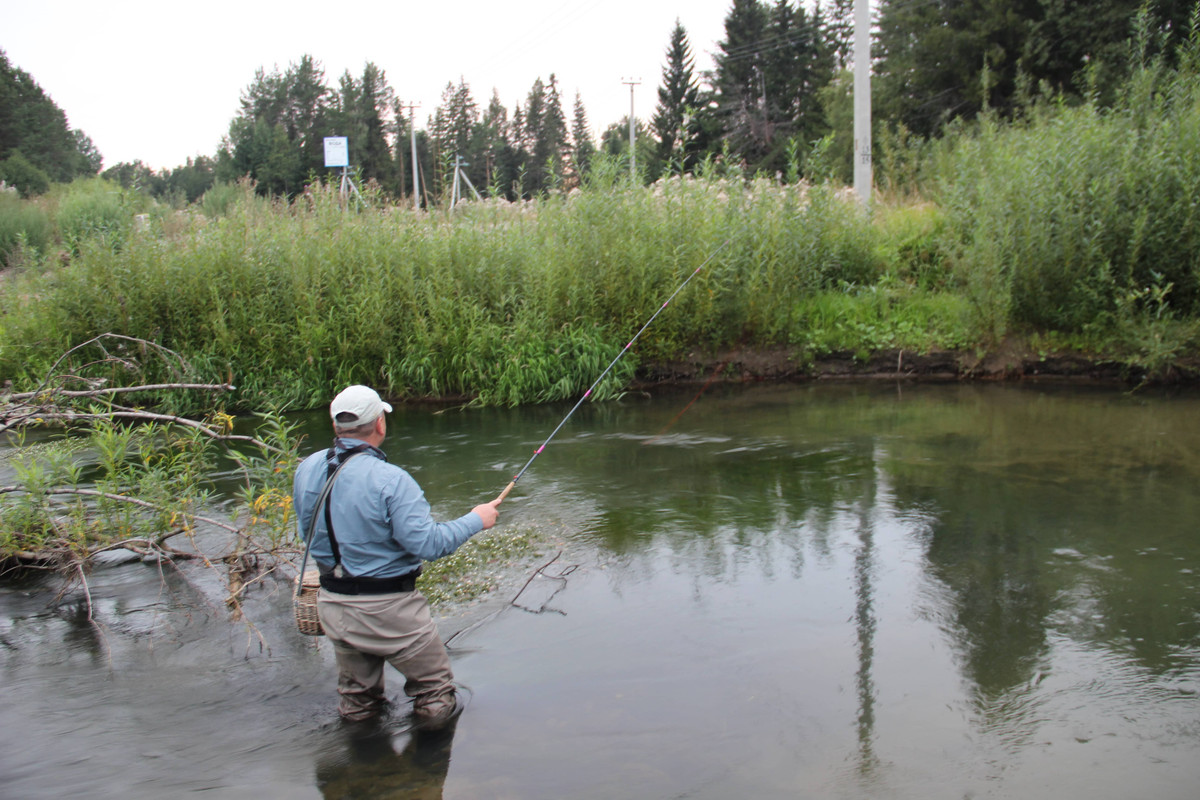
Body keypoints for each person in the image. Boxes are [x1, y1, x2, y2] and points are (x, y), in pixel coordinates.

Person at [293, 384, 501, 726]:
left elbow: (306, 533)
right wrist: (476, 520)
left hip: (332, 605)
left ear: (336, 426)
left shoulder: (307, 468)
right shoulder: (391, 480)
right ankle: (424, 772)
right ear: (379, 425)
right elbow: (430, 545)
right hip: (392, 612)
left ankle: (363, 772)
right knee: (435, 696)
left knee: (358, 704)